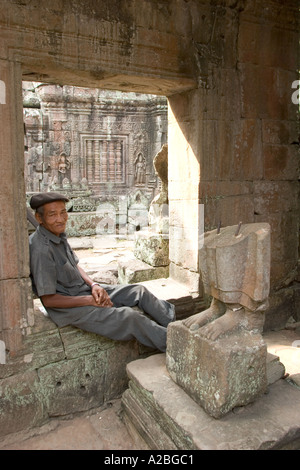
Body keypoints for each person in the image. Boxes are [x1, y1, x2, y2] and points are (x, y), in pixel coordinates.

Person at [29, 192, 175, 352]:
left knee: (138, 291)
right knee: (130, 317)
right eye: (52, 214)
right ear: (39, 218)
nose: (60, 218)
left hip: (83, 291)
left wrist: (94, 285)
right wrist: (89, 300)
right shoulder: (41, 249)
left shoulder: (57, 235)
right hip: (69, 307)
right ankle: (178, 346)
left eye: (63, 212)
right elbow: (49, 300)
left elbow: (73, 265)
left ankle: (174, 326)